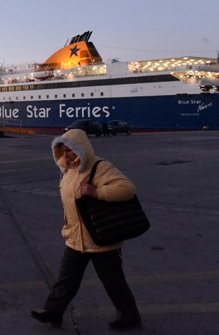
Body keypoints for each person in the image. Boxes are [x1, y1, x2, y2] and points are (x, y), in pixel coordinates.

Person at [31, 128, 142, 331]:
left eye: (71, 150)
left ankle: (130, 317)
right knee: (66, 279)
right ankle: (53, 311)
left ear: (81, 148)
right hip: (75, 237)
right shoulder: (69, 171)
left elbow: (127, 188)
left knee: (113, 281)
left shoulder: (99, 167)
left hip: (101, 237)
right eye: (63, 150)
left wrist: (98, 192)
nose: (67, 154)